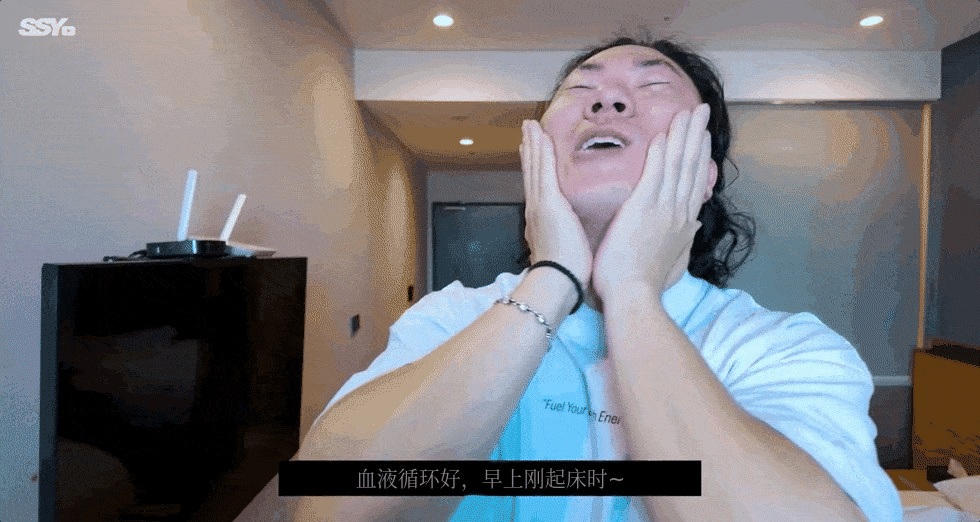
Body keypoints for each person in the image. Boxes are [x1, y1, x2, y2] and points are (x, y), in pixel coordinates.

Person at [236, 34, 903, 522]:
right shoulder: (451, 317)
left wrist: (633, 294)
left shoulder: (783, 349)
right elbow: (328, 506)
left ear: (702, 173)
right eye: (580, 89)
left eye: (652, 87)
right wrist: (553, 276)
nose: (606, 100)